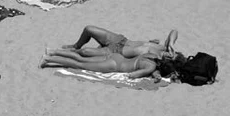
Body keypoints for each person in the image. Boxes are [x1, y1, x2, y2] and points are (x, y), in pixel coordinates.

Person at [41, 25, 180, 77]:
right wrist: (172, 43)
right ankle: (76, 45)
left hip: (114, 53)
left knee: (85, 54)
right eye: (172, 53)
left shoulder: (155, 59)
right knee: (89, 29)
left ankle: (56, 54)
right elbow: (174, 30)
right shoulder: (164, 47)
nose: (170, 54)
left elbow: (152, 70)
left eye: (171, 56)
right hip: (120, 40)